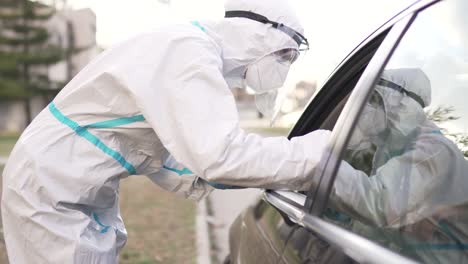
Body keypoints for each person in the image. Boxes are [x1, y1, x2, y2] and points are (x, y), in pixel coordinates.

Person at [1, 0, 331, 263]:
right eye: (286, 53)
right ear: (261, 34)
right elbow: (221, 155)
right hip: (50, 184)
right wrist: (323, 154)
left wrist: (265, 172)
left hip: (71, 180)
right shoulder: (188, 55)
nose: (286, 65)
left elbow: (170, 157)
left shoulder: (188, 48)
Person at [329, 68, 468, 263]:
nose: (366, 108)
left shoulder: (433, 151)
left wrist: (318, 168)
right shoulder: (393, 148)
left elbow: (379, 204)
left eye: (375, 100)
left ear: (403, 104)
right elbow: (383, 225)